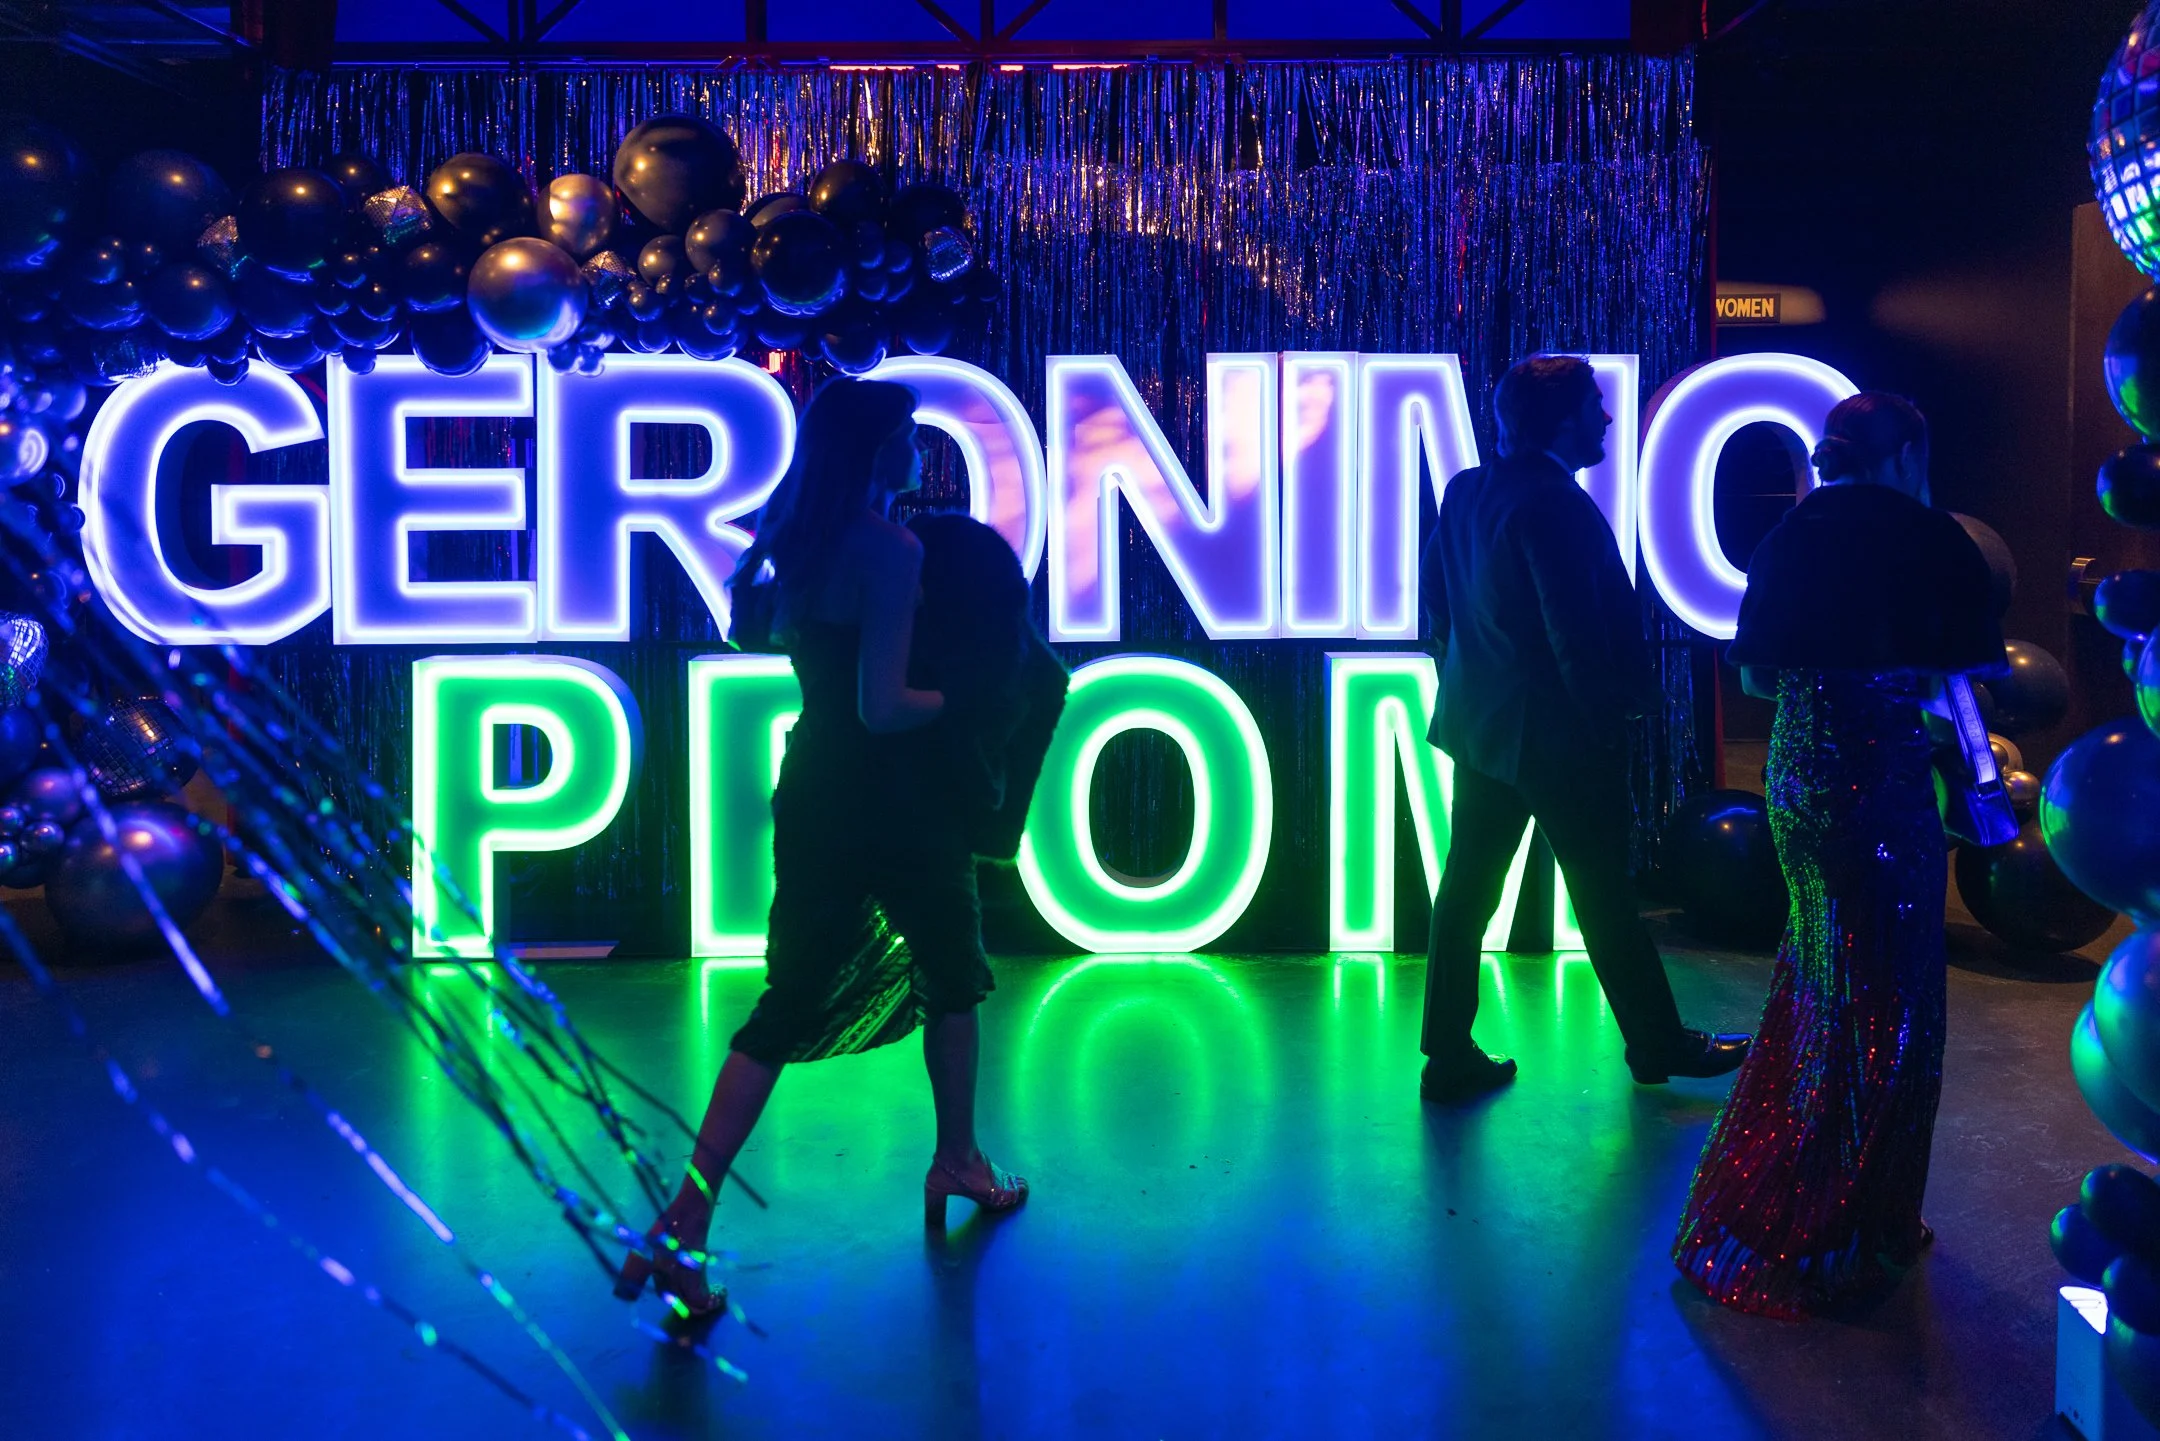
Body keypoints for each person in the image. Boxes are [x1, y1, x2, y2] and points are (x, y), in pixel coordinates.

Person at [613, 378, 1028, 1318]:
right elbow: (886, 708)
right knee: (953, 972)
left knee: (787, 1001)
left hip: (815, 791)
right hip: (898, 800)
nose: (921, 445)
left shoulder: (794, 536)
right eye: (910, 432)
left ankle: (685, 1216)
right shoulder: (890, 549)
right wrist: (973, 700)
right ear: (880, 447)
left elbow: (792, 654)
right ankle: (956, 1158)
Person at [1673, 392, 2004, 1318]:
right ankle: (1860, 1219)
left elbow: (1754, 675)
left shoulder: (1789, 534)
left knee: (1820, 979)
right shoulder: (1935, 540)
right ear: (1906, 454)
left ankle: (1795, 1195)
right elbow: (1967, 675)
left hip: (1801, 776)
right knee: (1898, 1005)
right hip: (1884, 780)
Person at [1418, 355, 1751, 1103]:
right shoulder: (1557, 506)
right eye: (1594, 406)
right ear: (1561, 420)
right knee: (1602, 897)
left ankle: (1446, 1052)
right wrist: (1616, 722)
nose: (1606, 418)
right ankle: (1659, 1045)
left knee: (1465, 892)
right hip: (1561, 742)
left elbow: (1434, 601)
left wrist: (1471, 677)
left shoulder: (1468, 490)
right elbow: (1575, 636)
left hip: (1482, 732)